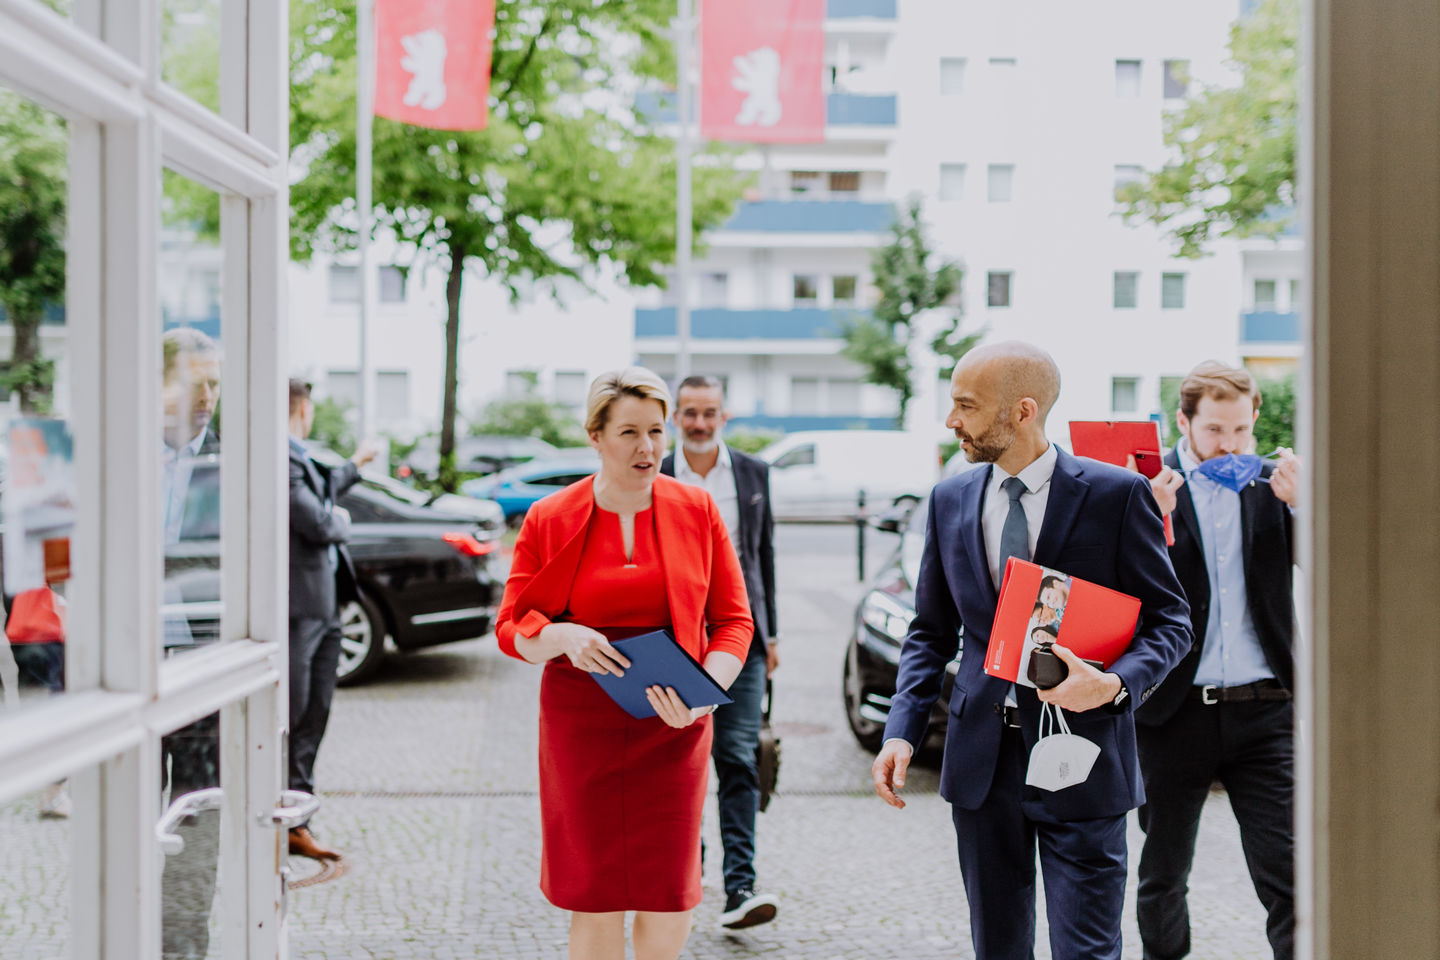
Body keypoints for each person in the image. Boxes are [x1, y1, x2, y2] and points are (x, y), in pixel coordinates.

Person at [871, 341, 1193, 960]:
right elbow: (930, 631)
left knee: (1088, 951)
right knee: (998, 948)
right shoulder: (948, 499)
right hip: (981, 766)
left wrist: (1113, 685)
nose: (952, 421)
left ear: (1022, 411)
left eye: (966, 406)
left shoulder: (1117, 495)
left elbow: (1171, 621)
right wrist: (901, 731)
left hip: (1086, 754)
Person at [494, 366, 753, 960]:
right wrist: (562, 636)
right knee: (595, 892)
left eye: (656, 432)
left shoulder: (699, 509)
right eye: (630, 432)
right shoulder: (549, 517)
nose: (648, 448)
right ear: (595, 436)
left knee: (670, 893)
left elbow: (734, 623)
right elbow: (512, 629)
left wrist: (704, 691)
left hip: (675, 726)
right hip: (581, 731)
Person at [1132, 361, 1299, 960]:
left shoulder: (1276, 482)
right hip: (1174, 712)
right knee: (1163, 873)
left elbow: (1341, 573)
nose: (1228, 446)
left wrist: (1306, 509)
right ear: (1184, 422)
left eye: (1239, 431)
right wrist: (1150, 524)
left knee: (1289, 876)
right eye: (1214, 432)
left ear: (1254, 420)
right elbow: (1116, 588)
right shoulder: (1144, 486)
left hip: (1266, 708)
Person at [661, 375, 781, 930]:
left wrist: (772, 634)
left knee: (736, 758)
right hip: (675, 642)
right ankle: (689, 871)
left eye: (709, 412)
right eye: (690, 413)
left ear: (724, 415)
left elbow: (763, 553)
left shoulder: (753, 474)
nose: (700, 423)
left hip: (743, 639)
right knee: (679, 762)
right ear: (676, 417)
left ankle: (740, 886)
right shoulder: (657, 474)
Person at [287, 378, 375, 861]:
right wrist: (341, 520)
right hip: (299, 611)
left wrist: (355, 466)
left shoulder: (295, 454)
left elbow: (322, 488)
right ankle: (287, 819)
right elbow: (318, 521)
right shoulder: (278, 454)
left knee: (313, 717)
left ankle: (296, 819)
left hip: (322, 610)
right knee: (296, 718)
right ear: (303, 407)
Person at [158, 327, 224, 959]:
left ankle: (181, 951)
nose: (207, 396)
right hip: (128, 667)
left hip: (205, 669)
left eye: (214, 383)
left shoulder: (237, 464)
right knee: (121, 817)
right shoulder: (111, 455)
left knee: (197, 819)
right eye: (192, 382)